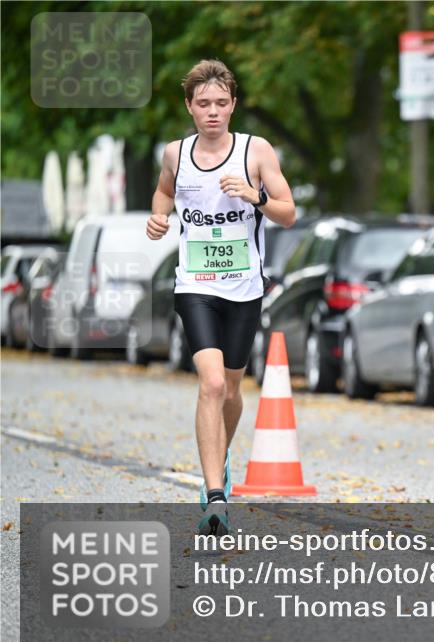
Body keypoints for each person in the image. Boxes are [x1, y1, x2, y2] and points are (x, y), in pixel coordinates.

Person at [146, 59, 295, 535]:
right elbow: (164, 193)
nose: (212, 111)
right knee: (210, 383)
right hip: (195, 285)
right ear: (189, 107)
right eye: (203, 103)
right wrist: (159, 218)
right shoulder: (176, 154)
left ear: (233, 105)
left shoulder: (256, 151)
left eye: (221, 103)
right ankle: (215, 497)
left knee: (231, 388)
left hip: (244, 288)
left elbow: (288, 213)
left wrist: (254, 196)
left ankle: (219, 457)